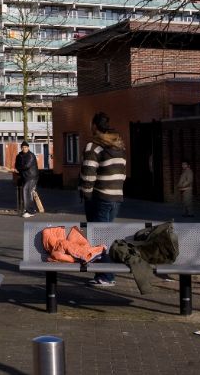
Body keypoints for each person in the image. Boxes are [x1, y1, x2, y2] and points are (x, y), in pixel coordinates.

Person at [78, 111, 127, 286]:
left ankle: (106, 276)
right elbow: (122, 173)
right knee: (106, 235)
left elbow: (88, 174)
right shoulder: (119, 146)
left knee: (100, 237)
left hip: (99, 198)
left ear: (94, 127)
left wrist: (86, 193)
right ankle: (104, 274)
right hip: (116, 198)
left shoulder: (93, 146)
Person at [14, 142, 40, 218]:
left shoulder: (31, 156)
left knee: (26, 190)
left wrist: (18, 169)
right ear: (21, 148)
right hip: (24, 176)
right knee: (27, 192)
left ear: (28, 148)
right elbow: (16, 165)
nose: (24, 148)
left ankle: (30, 211)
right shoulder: (19, 156)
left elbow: (27, 166)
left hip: (32, 177)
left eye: (26, 147)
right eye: (23, 147)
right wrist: (17, 170)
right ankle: (31, 209)